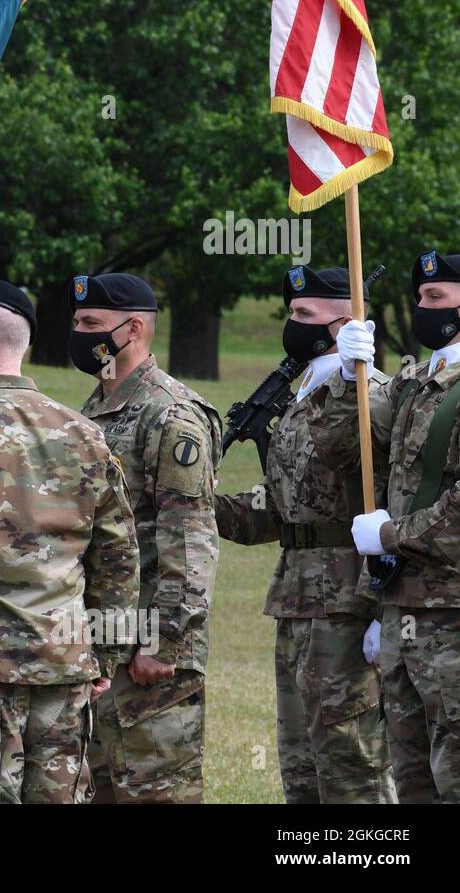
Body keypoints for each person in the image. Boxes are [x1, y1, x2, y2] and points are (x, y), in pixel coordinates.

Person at [0, 280, 141, 804]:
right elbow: (118, 554)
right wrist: (104, 654)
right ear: (25, 346)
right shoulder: (84, 432)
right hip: (66, 662)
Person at [215, 266, 394, 803]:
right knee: (301, 765)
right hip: (297, 599)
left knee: (351, 762)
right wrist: (198, 504)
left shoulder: (369, 394)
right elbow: (283, 507)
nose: (292, 325)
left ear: (344, 324)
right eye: (291, 313)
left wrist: (385, 608)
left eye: (304, 315)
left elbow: (376, 478)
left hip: (349, 601)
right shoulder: (303, 395)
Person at [314, 250, 460, 802]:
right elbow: (340, 448)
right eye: (419, 298)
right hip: (404, 610)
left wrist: (391, 536)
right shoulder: (416, 383)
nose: (423, 309)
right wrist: (348, 377)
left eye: (436, 299)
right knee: (411, 775)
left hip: (453, 613)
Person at [70, 272, 221, 803]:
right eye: (77, 322)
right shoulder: (95, 410)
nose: (80, 333)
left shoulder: (171, 415)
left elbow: (191, 538)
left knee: (157, 793)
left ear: (133, 328)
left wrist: (165, 641)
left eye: (92, 324)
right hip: (102, 643)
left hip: (152, 650)